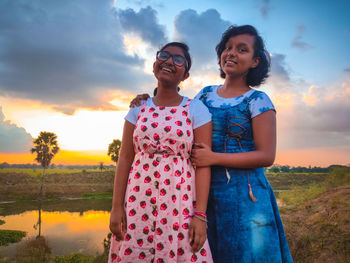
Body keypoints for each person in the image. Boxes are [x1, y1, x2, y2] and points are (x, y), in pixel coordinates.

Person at [130, 25, 293, 263]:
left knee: (249, 255)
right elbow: (178, 114)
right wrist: (149, 100)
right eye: (228, 48)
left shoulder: (258, 100)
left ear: (255, 61)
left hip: (247, 199)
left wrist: (215, 158)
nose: (231, 53)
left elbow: (266, 155)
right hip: (202, 196)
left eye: (242, 49)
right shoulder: (205, 96)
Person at [108, 42, 213, 263]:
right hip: (138, 201)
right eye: (164, 55)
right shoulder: (139, 107)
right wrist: (117, 208)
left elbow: (203, 164)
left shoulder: (197, 109)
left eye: (178, 59)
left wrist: (200, 215)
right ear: (155, 63)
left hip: (180, 202)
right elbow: (125, 158)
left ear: (185, 75)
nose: (168, 61)